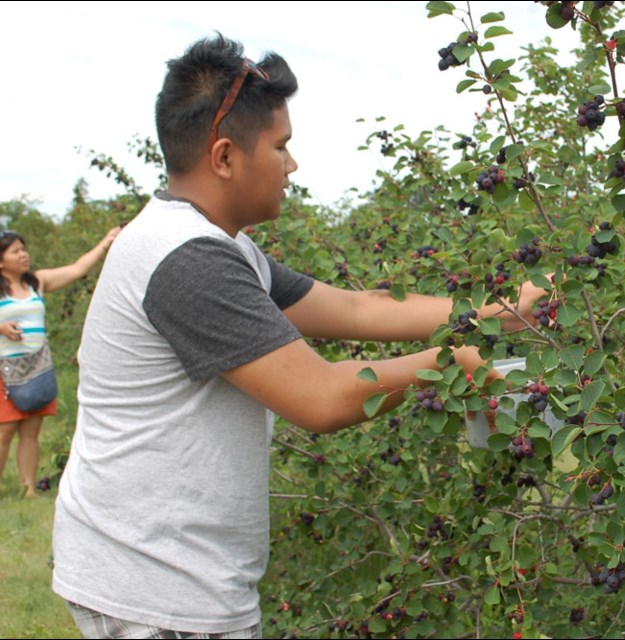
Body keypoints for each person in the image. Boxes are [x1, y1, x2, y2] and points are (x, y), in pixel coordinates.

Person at [52, 35, 545, 638]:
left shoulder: (221, 246)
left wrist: (500, 311)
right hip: (157, 584)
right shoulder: (186, 261)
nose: (292, 165)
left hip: (168, 568)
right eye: (281, 147)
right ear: (226, 157)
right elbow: (322, 398)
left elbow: (358, 312)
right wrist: (459, 362)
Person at [0, 227, 120, 498]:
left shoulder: (36, 283)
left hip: (36, 367)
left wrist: (105, 242)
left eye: (24, 249)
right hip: (5, 371)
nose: (23, 255)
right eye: (15, 251)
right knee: (4, 431)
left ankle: (27, 488)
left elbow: (77, 269)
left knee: (31, 429)